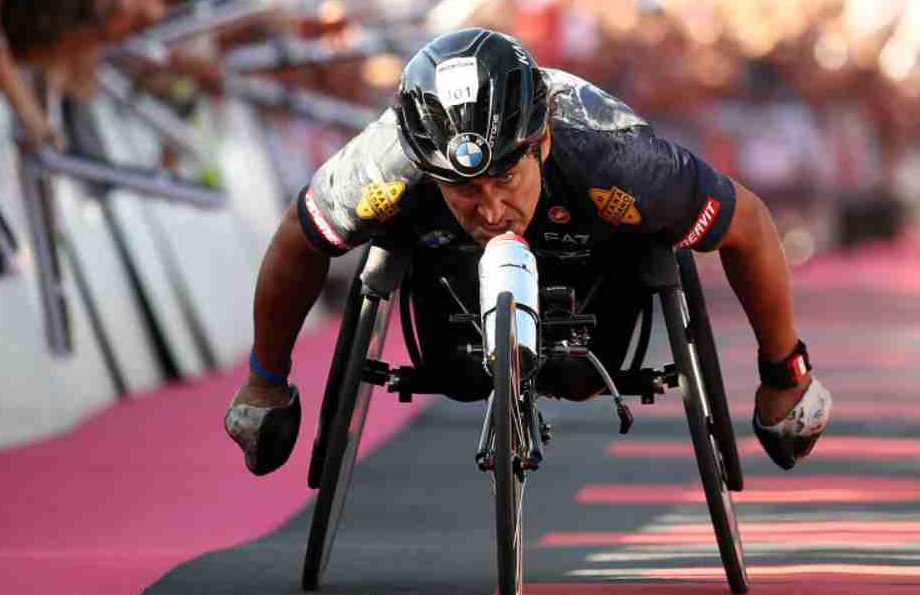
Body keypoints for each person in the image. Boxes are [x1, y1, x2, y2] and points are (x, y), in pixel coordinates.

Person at [224, 27, 832, 477]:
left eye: (504, 181)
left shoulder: (615, 159)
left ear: (539, 145)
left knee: (582, 371)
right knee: (400, 281)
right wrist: (265, 380)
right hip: (447, 309)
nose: (489, 209)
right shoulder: (387, 165)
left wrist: (785, 372)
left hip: (599, 285)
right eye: (462, 188)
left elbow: (747, 224)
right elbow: (299, 240)